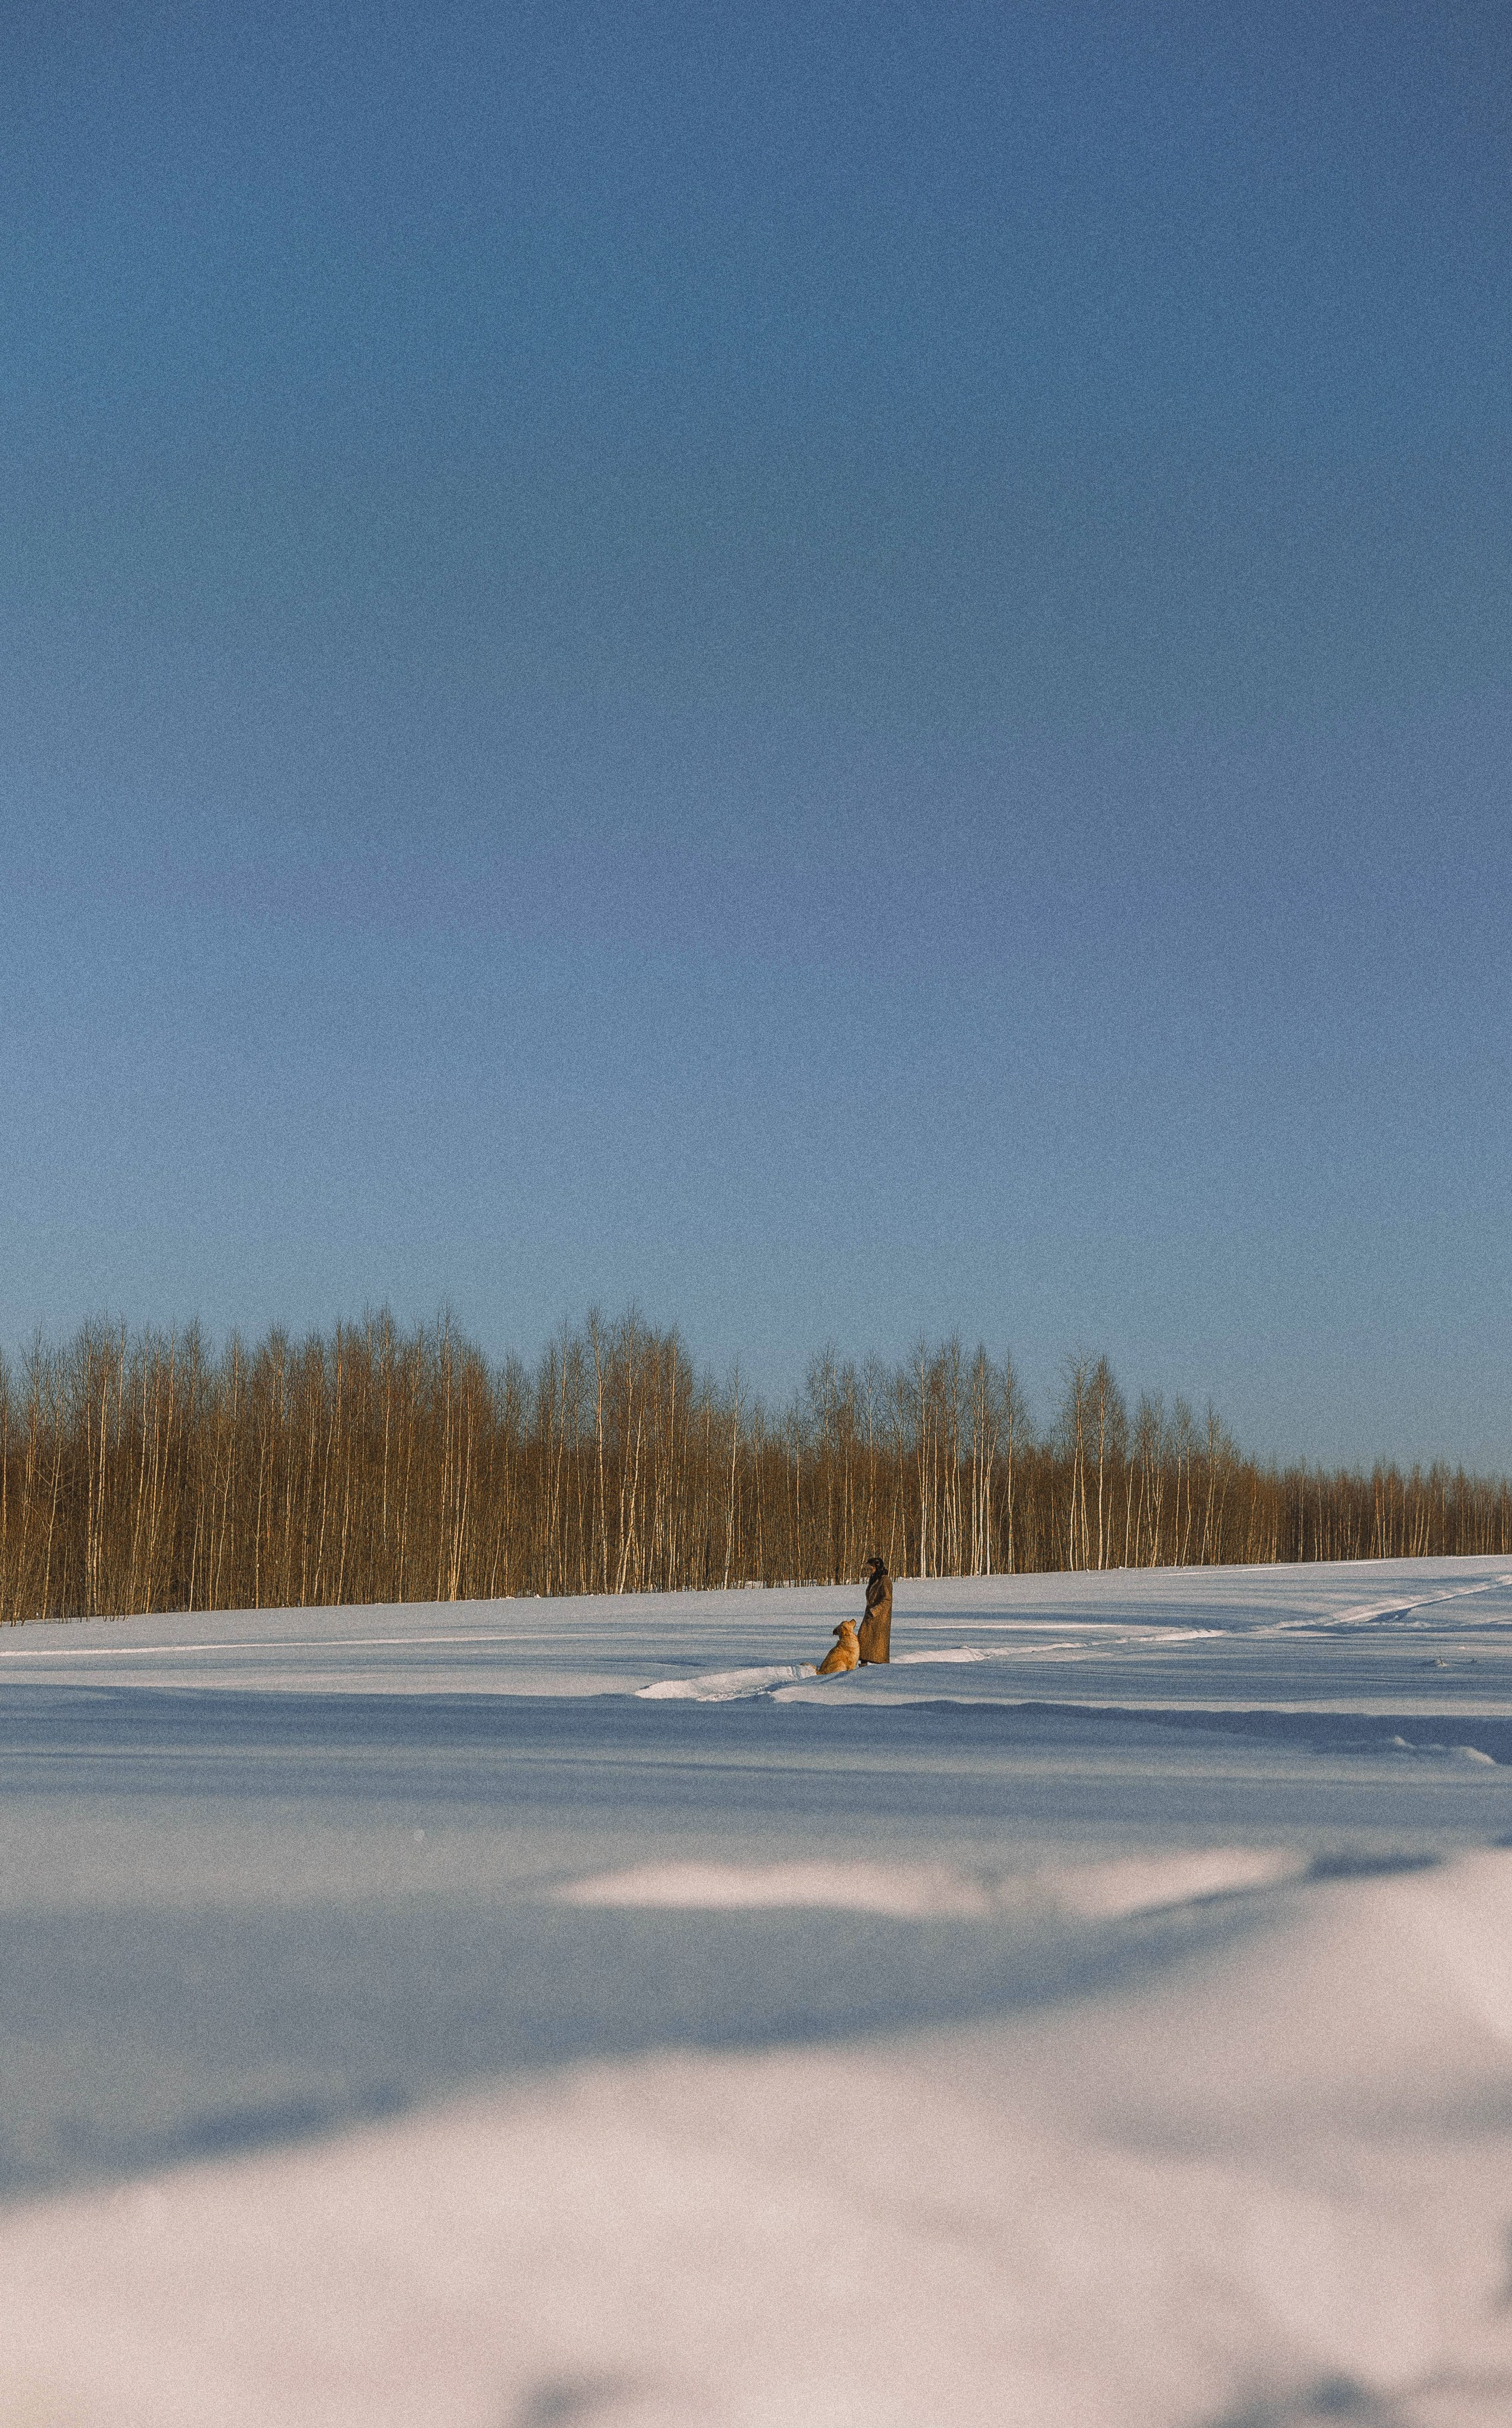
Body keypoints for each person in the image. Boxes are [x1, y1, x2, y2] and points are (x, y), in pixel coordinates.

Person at [858, 1554, 891, 1665]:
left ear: (877, 1567)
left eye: (871, 1568)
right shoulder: (874, 1579)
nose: (870, 1571)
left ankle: (878, 1672)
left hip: (879, 1619)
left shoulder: (885, 1580)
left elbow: (887, 1600)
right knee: (863, 1642)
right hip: (870, 1617)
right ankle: (863, 1666)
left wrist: (874, 1611)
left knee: (877, 1648)